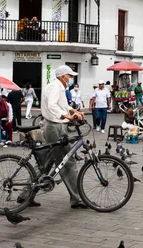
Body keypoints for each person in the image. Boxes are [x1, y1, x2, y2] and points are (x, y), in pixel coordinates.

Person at [40, 65, 87, 208]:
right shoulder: (56, 87)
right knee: (69, 162)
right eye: (69, 76)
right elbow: (52, 105)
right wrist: (66, 116)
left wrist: (75, 112)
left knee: (46, 163)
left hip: (54, 126)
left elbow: (64, 105)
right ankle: (77, 199)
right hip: (56, 127)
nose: (71, 79)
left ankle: (25, 194)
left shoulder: (57, 87)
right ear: (62, 76)